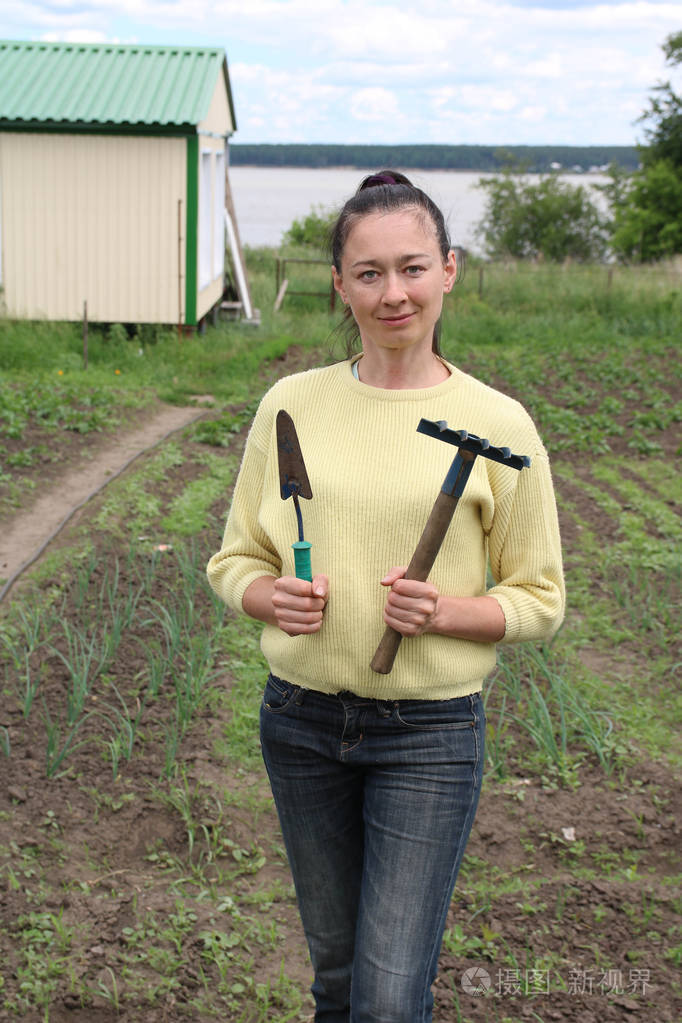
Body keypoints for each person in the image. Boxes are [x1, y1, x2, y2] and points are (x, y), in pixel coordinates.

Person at [206, 170, 565, 1022]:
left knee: (392, 993)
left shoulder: (499, 422)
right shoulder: (290, 406)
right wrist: (269, 599)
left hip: (429, 735)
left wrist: (446, 612)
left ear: (449, 269)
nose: (392, 292)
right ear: (340, 284)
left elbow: (540, 597)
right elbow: (232, 560)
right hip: (299, 722)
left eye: (411, 268)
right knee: (336, 980)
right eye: (368, 273)